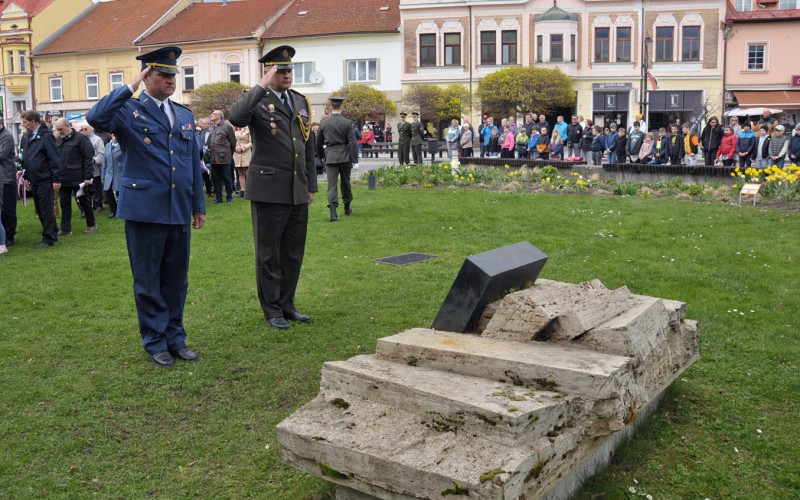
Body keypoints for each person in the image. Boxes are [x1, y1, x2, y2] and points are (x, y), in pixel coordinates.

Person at [86, 46, 206, 367]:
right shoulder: (128, 110)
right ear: (147, 75)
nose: (170, 80)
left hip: (178, 208)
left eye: (173, 75)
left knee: (176, 279)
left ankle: (176, 338)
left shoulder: (183, 114)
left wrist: (198, 205)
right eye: (164, 74)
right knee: (149, 279)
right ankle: (155, 341)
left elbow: (191, 164)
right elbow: (95, 117)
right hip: (144, 208)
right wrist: (129, 87)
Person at [228, 44, 317, 331]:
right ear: (269, 71)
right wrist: (260, 84)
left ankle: (288, 304)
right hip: (268, 188)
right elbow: (236, 117)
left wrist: (311, 185)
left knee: (293, 251)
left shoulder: (300, 101)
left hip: (296, 188)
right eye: (281, 70)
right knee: (269, 254)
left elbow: (307, 147)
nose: (287, 75)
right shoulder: (257, 99)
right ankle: (272, 309)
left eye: (290, 69)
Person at [21, 111, 62, 249]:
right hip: (34, 178)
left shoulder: (46, 136)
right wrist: (26, 177)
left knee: (45, 209)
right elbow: (26, 158)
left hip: (45, 178)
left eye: (25, 122)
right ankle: (53, 231)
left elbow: (54, 158)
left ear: (33, 122)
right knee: (39, 208)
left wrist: (56, 179)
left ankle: (48, 237)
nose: (23, 125)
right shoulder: (27, 137)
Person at [317, 95, 357, 222]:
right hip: (345, 155)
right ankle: (347, 207)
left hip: (331, 156)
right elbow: (352, 142)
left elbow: (318, 143)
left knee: (331, 184)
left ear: (330, 107)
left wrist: (322, 156)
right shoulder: (347, 122)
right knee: (346, 181)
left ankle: (333, 212)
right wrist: (354, 158)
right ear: (342, 107)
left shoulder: (323, 123)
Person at [54, 118, 97, 235]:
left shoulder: (81, 138)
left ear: (68, 125)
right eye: (57, 130)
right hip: (64, 177)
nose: (59, 132)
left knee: (84, 201)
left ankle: (91, 224)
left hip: (79, 178)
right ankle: (66, 229)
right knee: (64, 203)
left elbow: (88, 158)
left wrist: (88, 177)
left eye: (61, 129)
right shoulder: (59, 140)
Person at [208, 109, 236, 204]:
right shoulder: (212, 128)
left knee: (226, 177)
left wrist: (229, 155)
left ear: (219, 116)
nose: (211, 115)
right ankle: (218, 198)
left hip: (224, 157)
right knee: (215, 178)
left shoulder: (227, 127)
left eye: (213, 114)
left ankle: (229, 197)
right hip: (214, 157)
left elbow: (233, 142)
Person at [79, 123, 106, 212]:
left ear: (90, 130)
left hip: (94, 168)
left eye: (85, 129)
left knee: (96, 188)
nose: (83, 131)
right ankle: (87, 205)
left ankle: (98, 205)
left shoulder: (97, 139)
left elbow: (101, 154)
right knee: (85, 189)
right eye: (81, 129)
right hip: (83, 169)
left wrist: (94, 161)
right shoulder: (80, 140)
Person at [0, 122, 16, 246]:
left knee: (8, 209)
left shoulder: (7, 136)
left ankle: (9, 236)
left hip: (6, 178)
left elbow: (2, 154)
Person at [102, 133, 123, 218]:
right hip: (109, 173)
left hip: (119, 172)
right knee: (109, 192)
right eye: (114, 135)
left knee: (119, 193)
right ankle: (113, 211)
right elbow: (104, 162)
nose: (115, 137)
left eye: (116, 135)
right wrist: (102, 176)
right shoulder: (107, 145)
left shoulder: (123, 145)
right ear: (111, 136)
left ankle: (121, 211)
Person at [233, 126, 252, 197]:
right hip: (237, 153)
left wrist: (243, 148)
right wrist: (235, 148)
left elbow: (251, 142)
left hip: (246, 152)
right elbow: (232, 141)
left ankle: (250, 190)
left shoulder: (248, 129)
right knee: (240, 172)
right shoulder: (234, 129)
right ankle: (243, 190)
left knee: (247, 172)